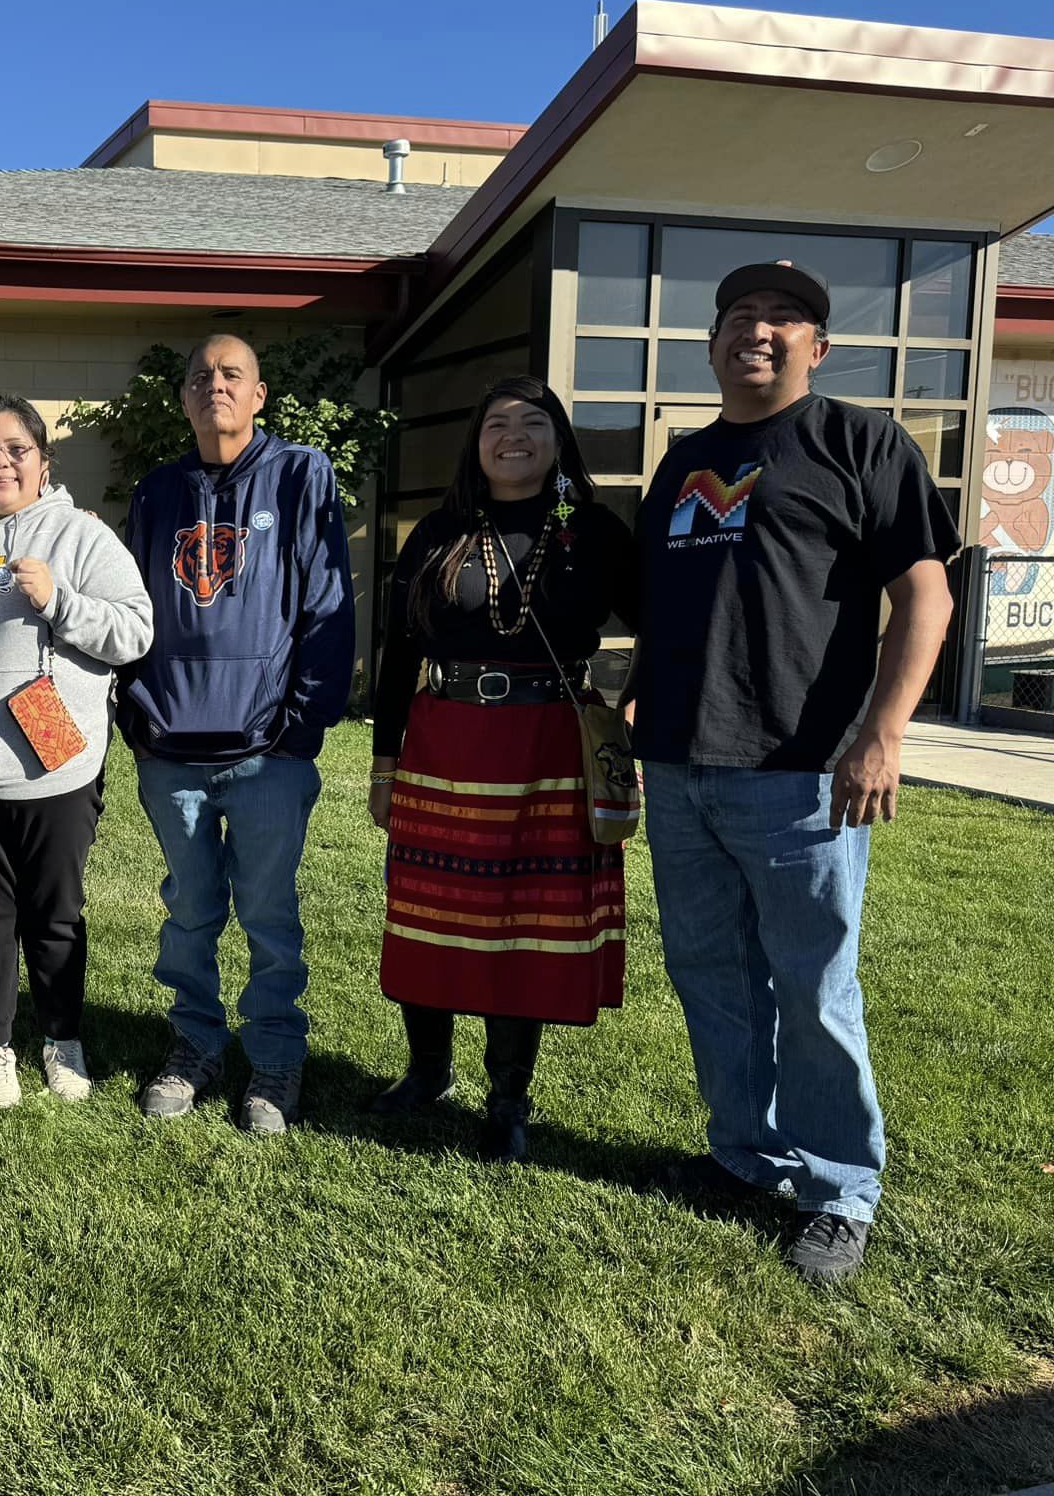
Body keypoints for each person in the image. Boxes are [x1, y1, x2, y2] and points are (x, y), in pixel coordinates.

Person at [638, 261, 958, 1284]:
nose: (758, 333)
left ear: (816, 348)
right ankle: (742, 1155)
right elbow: (675, 604)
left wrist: (882, 732)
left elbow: (924, 597)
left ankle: (834, 1189)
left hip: (800, 772)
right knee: (710, 977)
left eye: (783, 321)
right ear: (711, 343)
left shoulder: (857, 442)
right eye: (739, 317)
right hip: (680, 767)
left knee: (813, 987)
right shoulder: (683, 462)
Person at [368, 377, 640, 1161]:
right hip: (444, 743)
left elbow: (662, 625)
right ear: (475, 441)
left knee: (524, 926)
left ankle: (508, 1100)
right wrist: (385, 762)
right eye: (496, 422)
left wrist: (631, 713)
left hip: (550, 751)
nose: (512, 435)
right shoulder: (441, 530)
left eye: (532, 422)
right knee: (430, 912)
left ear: (559, 440)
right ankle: (427, 1072)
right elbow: (400, 654)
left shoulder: (591, 530)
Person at [117, 334, 355, 1134]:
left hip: (266, 754)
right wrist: (136, 715)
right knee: (189, 911)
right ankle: (194, 1045)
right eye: (199, 378)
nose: (214, 386)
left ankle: (276, 1056)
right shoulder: (157, 493)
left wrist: (301, 727)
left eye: (231, 375)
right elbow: (129, 610)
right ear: (183, 401)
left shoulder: (299, 475)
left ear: (258, 395)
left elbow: (326, 604)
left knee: (267, 910)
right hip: (173, 750)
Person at [0, 395, 153, 1106]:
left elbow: (135, 634)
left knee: (56, 916)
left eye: (17, 448)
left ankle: (63, 1039)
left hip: (57, 770)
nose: (0, 461)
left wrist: (61, 601)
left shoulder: (81, 537)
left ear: (44, 462)